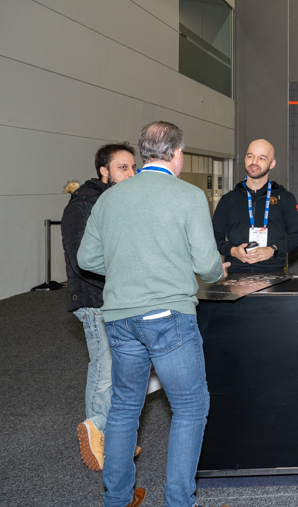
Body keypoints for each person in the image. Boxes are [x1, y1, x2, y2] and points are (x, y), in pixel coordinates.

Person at [78, 121, 229, 507]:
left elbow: (87, 259)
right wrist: (217, 271)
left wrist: (129, 266)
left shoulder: (110, 198)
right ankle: (179, 501)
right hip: (168, 316)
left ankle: (117, 499)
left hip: (120, 318)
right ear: (177, 154)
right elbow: (207, 265)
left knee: (125, 406)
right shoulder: (188, 195)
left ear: (145, 153)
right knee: (190, 408)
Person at [62, 143, 141, 471]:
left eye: (133, 167)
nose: (131, 173)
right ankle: (97, 432)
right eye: (123, 168)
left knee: (124, 369)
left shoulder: (121, 202)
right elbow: (82, 261)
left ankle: (115, 436)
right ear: (104, 171)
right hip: (96, 301)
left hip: (121, 299)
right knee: (105, 367)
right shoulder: (83, 205)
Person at [212, 139, 298, 273]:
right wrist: (232, 251)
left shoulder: (285, 198)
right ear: (245, 159)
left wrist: (272, 249)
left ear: (272, 164)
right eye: (250, 156)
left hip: (273, 274)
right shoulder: (228, 200)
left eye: (262, 158)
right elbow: (214, 236)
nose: (254, 162)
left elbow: (297, 235)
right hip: (236, 273)